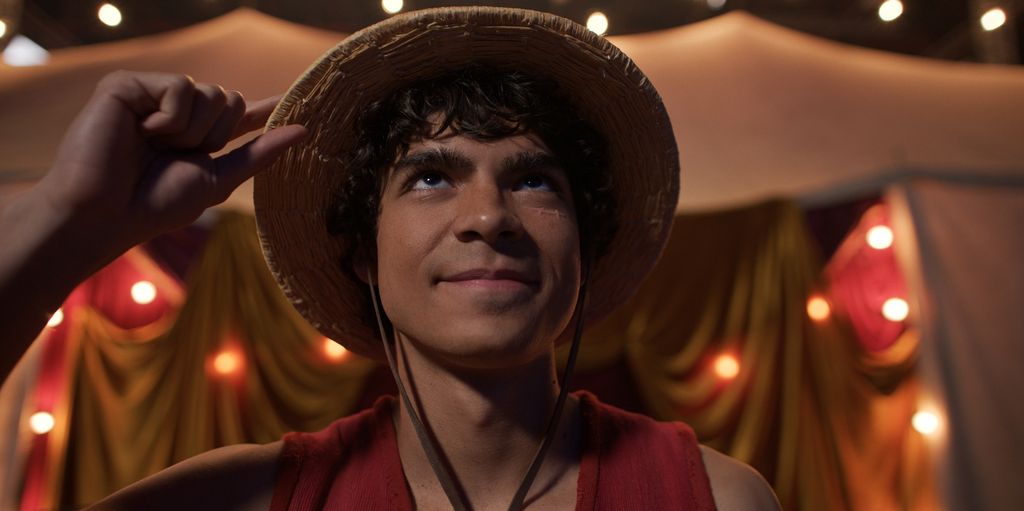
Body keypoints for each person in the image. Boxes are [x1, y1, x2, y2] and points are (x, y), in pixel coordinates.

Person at [0, 7, 780, 510]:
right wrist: (70, 223)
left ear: (584, 243)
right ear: (363, 251)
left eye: (533, 178)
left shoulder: (712, 497)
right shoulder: (244, 498)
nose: (487, 217)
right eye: (432, 176)